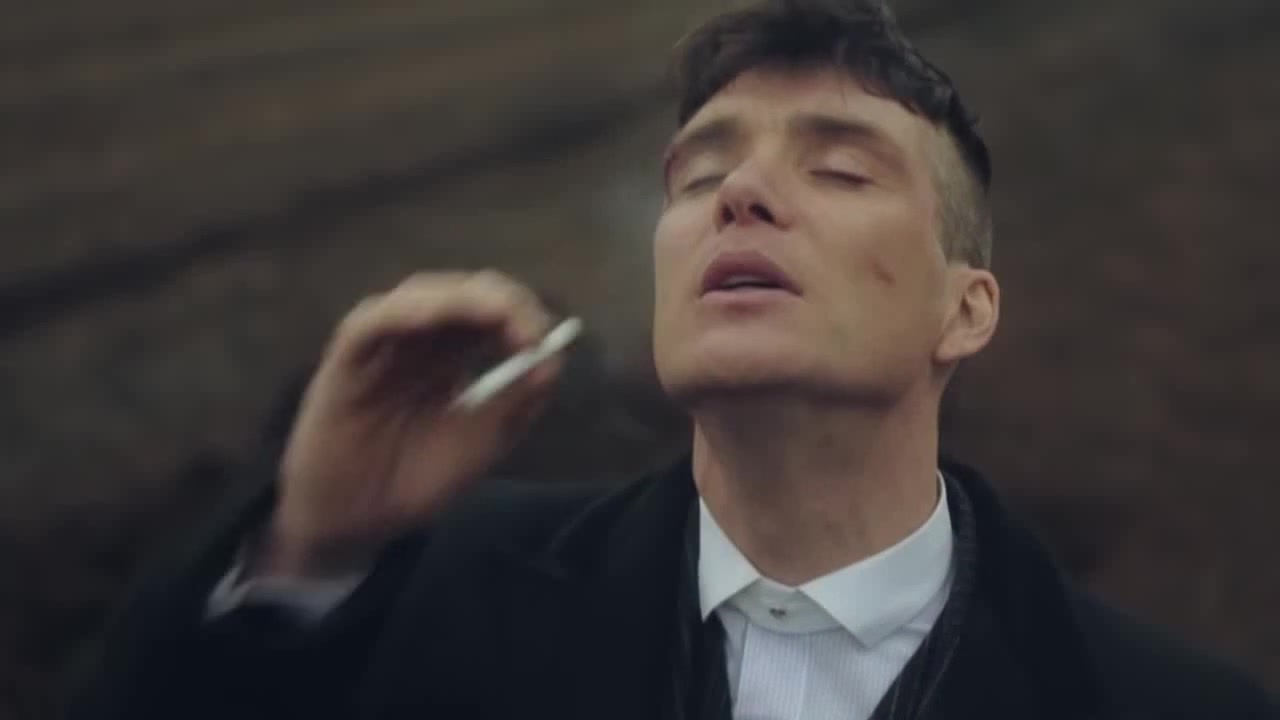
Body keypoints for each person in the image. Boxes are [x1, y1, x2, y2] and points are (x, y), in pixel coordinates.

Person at [69, 1, 1277, 719]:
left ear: (964, 310)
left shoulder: (1169, 706)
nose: (738, 193)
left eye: (838, 168)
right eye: (698, 175)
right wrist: (309, 551)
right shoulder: (438, 600)